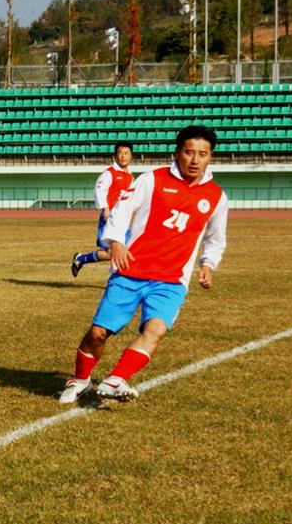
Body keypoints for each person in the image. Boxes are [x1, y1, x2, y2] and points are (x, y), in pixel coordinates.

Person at [59, 125, 228, 403]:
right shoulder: (153, 179)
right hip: (131, 270)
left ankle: (115, 380)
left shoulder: (216, 197)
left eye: (203, 154)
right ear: (177, 153)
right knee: (98, 334)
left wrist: (208, 263)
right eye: (189, 152)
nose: (195, 160)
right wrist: (115, 240)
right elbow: (123, 209)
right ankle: (80, 380)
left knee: (156, 329)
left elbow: (215, 237)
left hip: (172, 280)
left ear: (210, 157)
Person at [71, 141, 135, 277]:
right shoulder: (109, 173)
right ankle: (114, 273)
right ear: (115, 156)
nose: (123, 156)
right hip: (110, 217)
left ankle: (82, 259)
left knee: (125, 249)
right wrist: (105, 208)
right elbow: (99, 190)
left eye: (126, 153)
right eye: (120, 153)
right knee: (113, 251)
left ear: (131, 156)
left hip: (123, 218)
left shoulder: (130, 176)